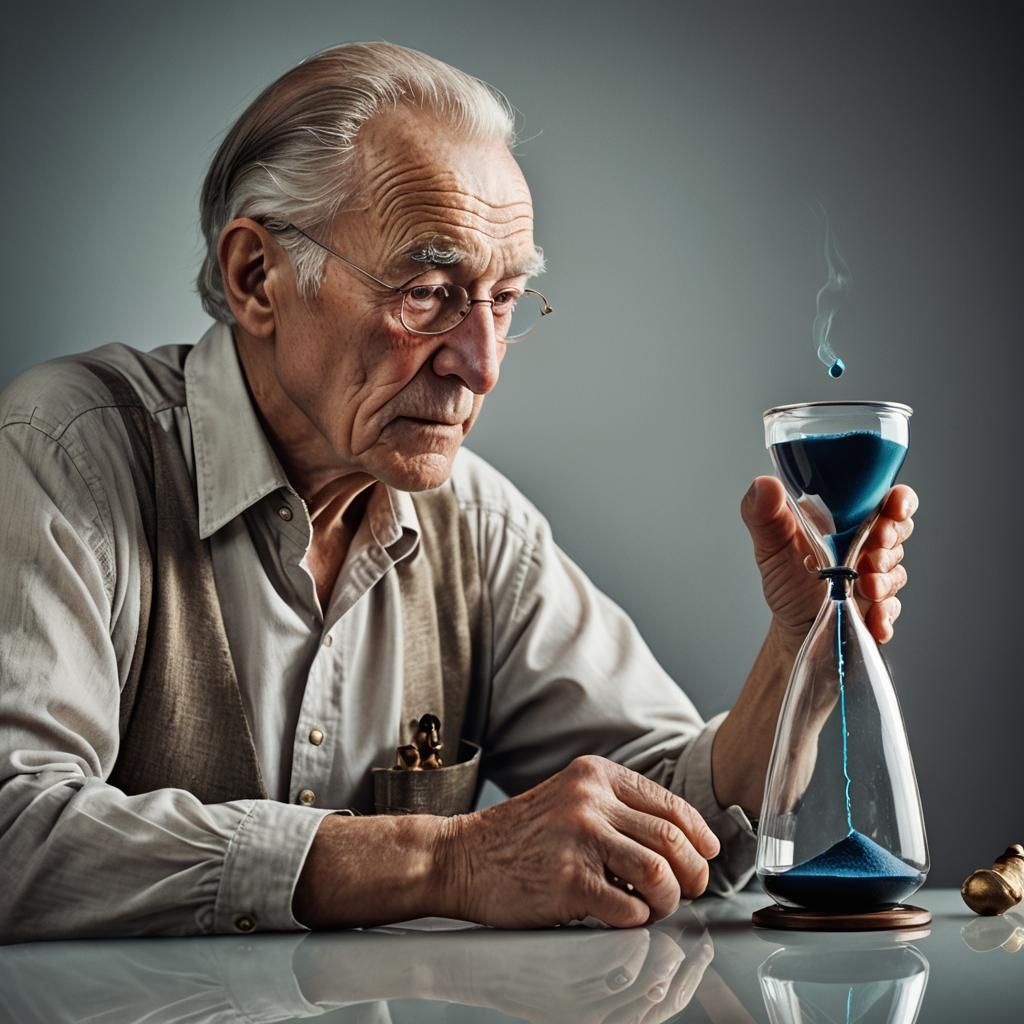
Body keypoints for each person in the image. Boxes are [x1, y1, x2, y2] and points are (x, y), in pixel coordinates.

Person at [0, 42, 916, 942]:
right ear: (257, 279)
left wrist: (799, 651)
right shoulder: (68, 455)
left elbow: (670, 826)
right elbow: (14, 831)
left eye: (506, 300)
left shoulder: (478, 526)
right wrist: (446, 860)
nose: (480, 365)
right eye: (431, 292)